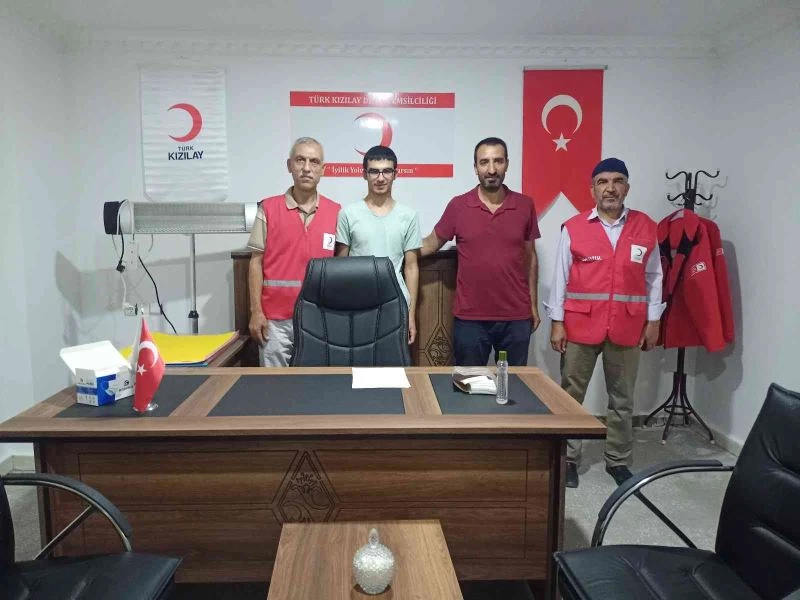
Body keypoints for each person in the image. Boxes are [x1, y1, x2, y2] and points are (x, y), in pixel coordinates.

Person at [544, 157, 664, 488]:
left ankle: (618, 460)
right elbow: (560, 277)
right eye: (603, 182)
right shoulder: (574, 227)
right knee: (571, 396)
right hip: (580, 326)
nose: (610, 188)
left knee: (622, 398)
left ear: (627, 187)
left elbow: (654, 276)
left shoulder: (646, 227)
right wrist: (557, 322)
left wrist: (654, 320)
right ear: (592, 189)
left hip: (627, 326)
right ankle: (568, 458)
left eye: (617, 181)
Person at [420, 137, 541, 365]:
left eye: (498, 161)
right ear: (475, 167)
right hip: (470, 319)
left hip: (516, 318)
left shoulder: (525, 205)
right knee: (469, 384)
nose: (492, 169)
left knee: (514, 384)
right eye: (484, 162)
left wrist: (533, 305)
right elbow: (430, 244)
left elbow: (530, 257)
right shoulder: (458, 206)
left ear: (507, 164)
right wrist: (394, 249)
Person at [247, 137, 340, 366]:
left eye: (314, 161)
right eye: (300, 160)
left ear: (323, 169)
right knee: (275, 384)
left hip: (319, 319)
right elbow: (255, 262)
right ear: (289, 165)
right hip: (275, 322)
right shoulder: (268, 208)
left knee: (316, 383)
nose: (307, 168)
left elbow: (340, 267)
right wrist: (256, 312)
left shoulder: (336, 212)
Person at [335, 145, 421, 344]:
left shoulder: (408, 216)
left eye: (386, 171)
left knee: (393, 361)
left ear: (395, 174)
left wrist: (411, 314)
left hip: (395, 303)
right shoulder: (348, 214)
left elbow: (411, 267)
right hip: (357, 304)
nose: (380, 178)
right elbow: (340, 266)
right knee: (358, 360)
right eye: (374, 171)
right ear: (364, 174)